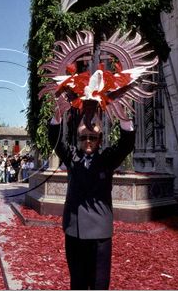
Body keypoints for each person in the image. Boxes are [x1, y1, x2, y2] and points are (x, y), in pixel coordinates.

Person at [48, 110, 135, 290]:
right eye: (83, 137)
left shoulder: (107, 159)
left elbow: (126, 144)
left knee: (99, 283)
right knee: (77, 282)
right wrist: (57, 116)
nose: (88, 141)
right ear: (78, 139)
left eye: (93, 137)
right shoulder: (72, 157)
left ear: (100, 140)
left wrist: (122, 116)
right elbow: (54, 141)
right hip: (75, 230)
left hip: (99, 234)